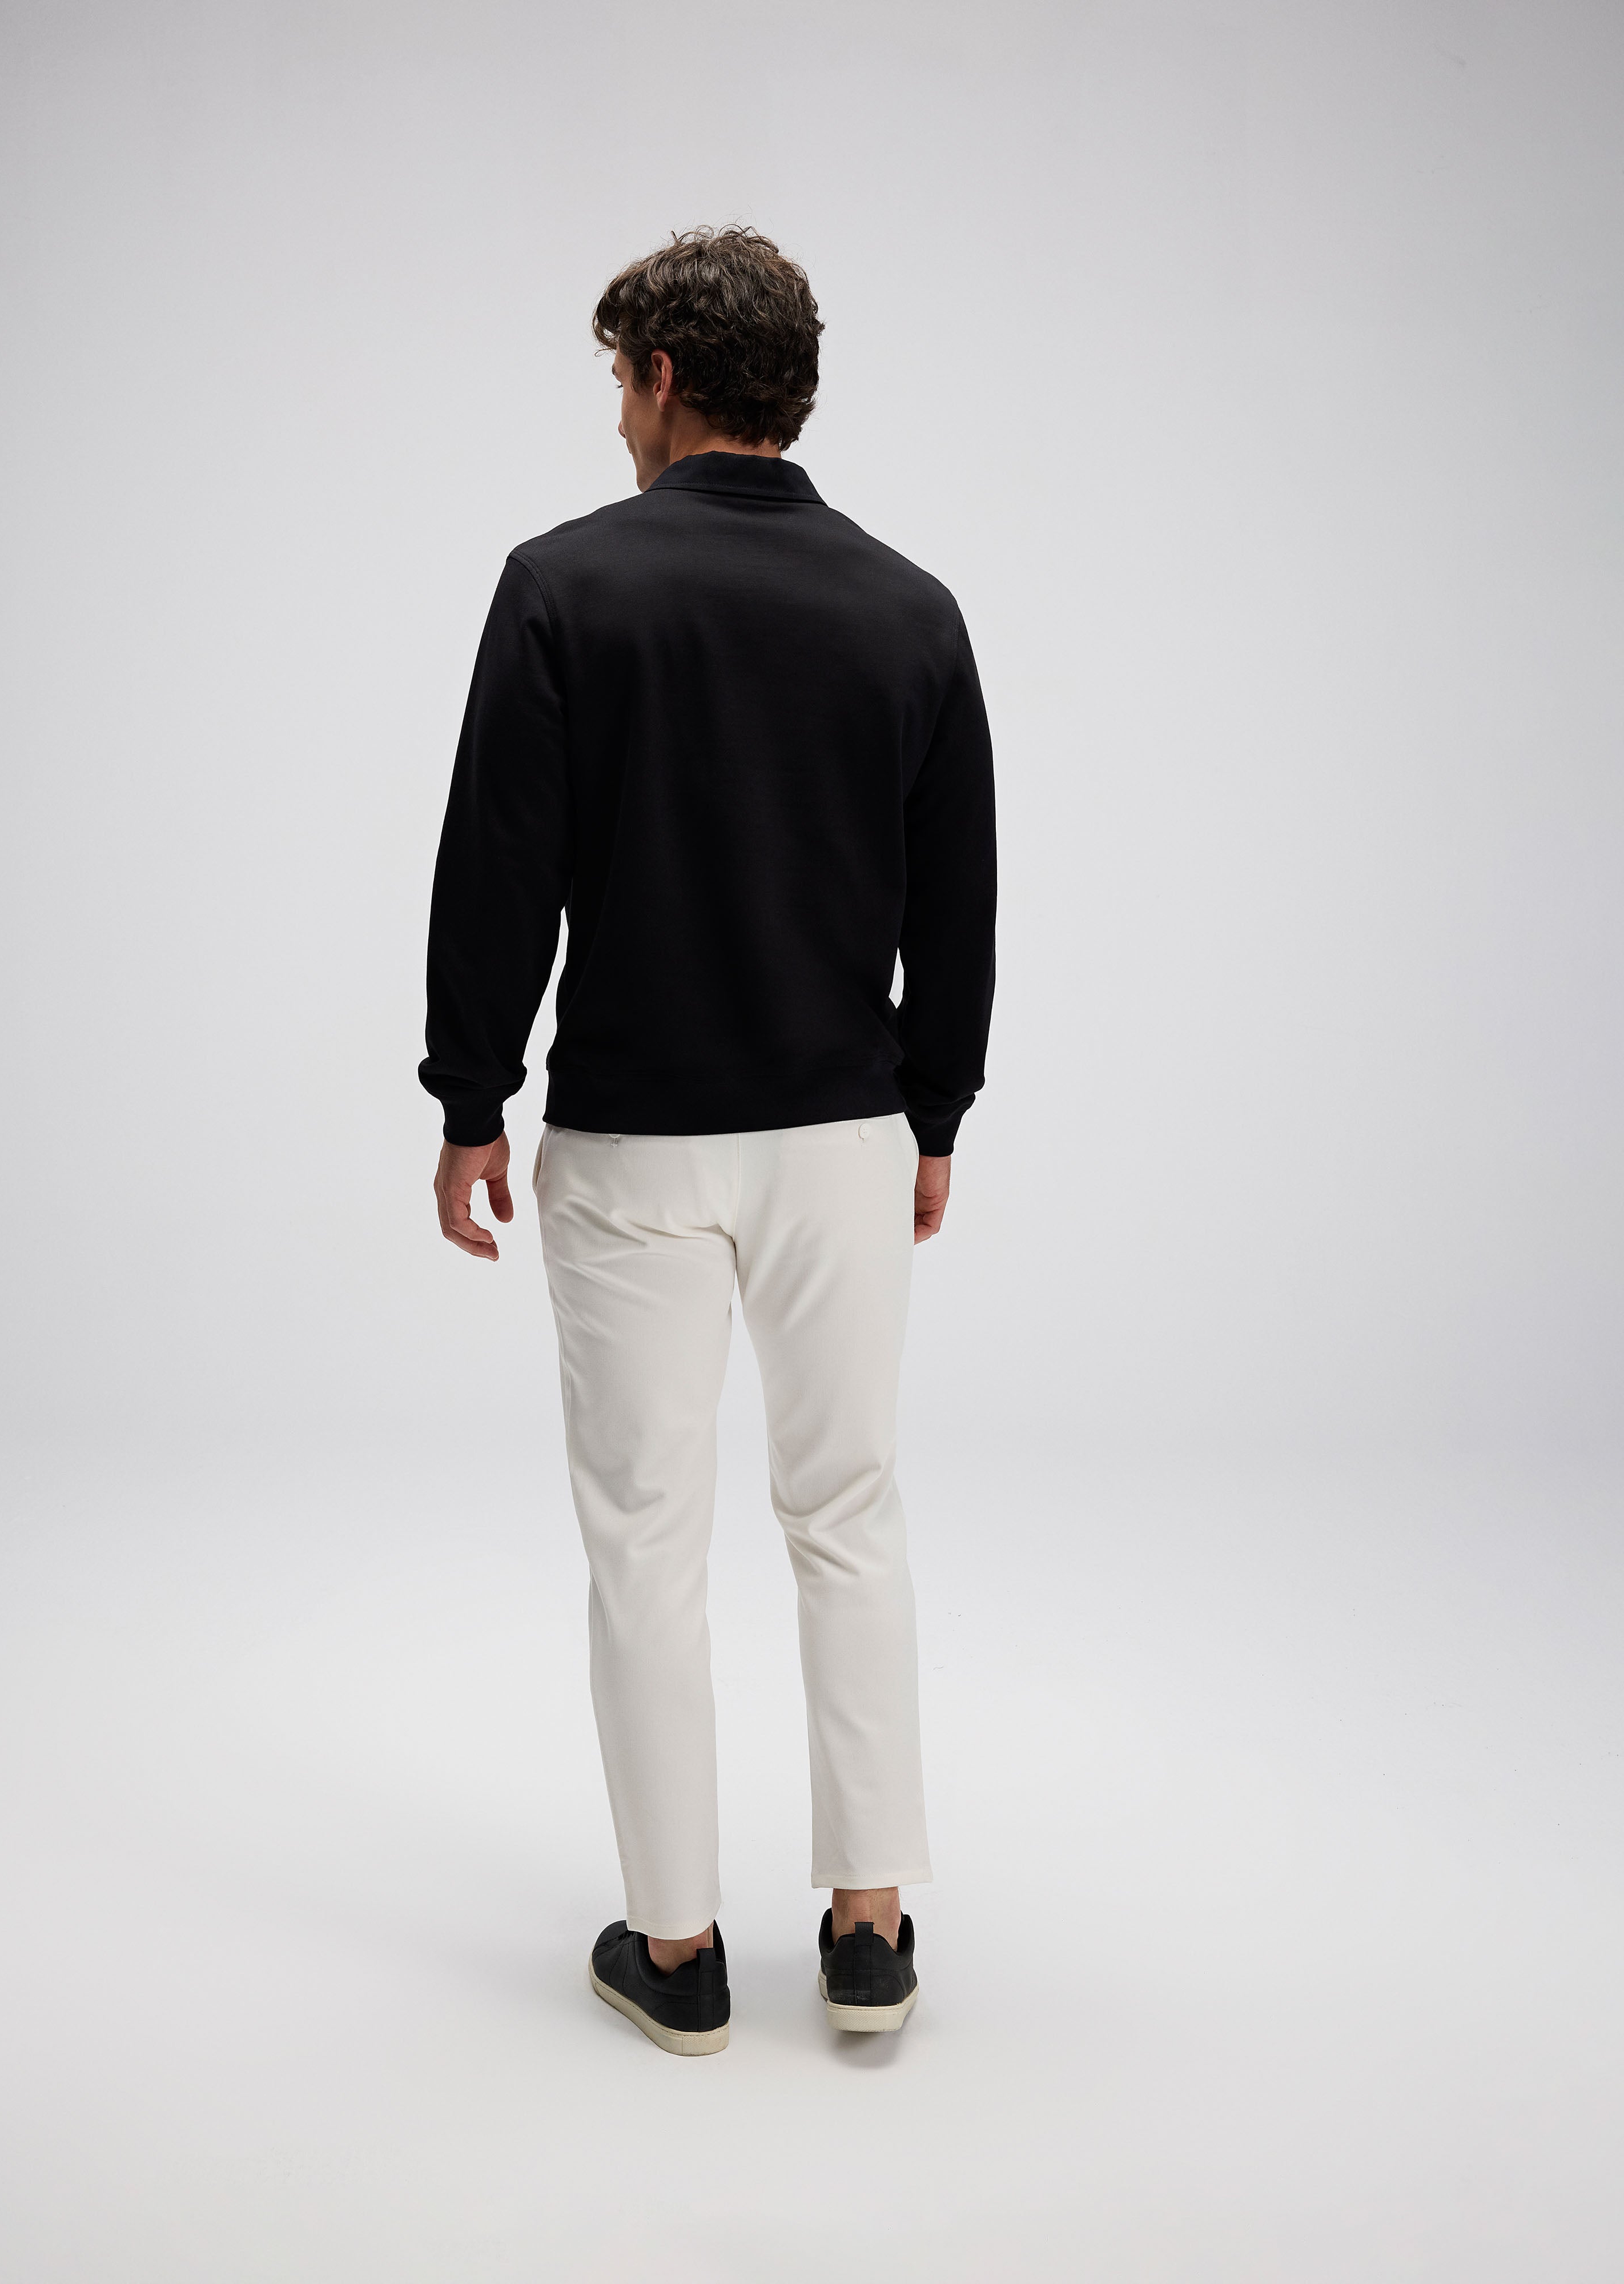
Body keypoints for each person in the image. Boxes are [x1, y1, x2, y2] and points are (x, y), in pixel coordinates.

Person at [420, 227, 996, 2054]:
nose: (617, 414)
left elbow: (497, 864)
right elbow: (959, 900)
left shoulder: (564, 586)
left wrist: (469, 1097)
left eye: (620, 380)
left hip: (635, 1143)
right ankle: (872, 1929)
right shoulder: (911, 608)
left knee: (647, 1540)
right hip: (845, 1130)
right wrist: (937, 1109)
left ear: (665, 378)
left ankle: (677, 1953)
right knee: (850, 1511)